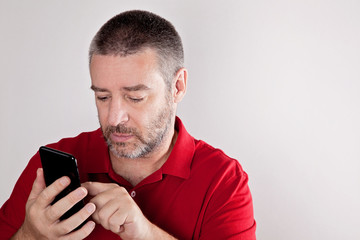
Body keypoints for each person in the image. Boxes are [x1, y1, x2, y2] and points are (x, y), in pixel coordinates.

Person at [0, 10, 256, 239]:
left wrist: (146, 234)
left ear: (177, 87)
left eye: (135, 97)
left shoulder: (224, 182)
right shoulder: (49, 168)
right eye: (102, 97)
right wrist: (31, 235)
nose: (113, 118)